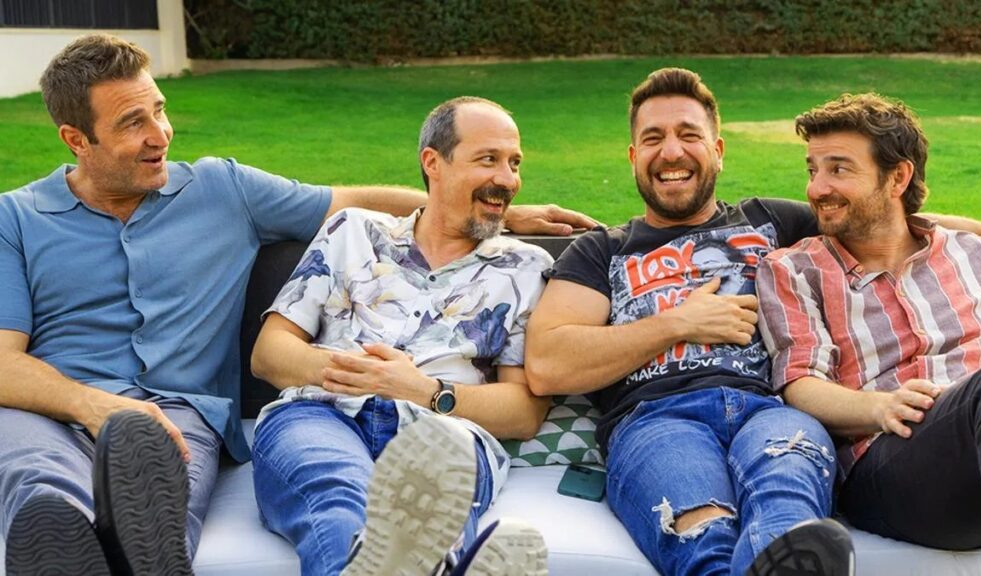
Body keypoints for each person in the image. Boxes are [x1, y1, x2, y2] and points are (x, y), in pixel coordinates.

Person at [0, 34, 593, 575]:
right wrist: (95, 406)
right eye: (134, 122)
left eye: (160, 109)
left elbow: (346, 196)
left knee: (177, 496)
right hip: (56, 409)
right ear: (76, 139)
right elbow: (4, 361)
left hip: (181, 417)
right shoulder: (17, 219)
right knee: (45, 494)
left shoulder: (222, 188)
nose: (161, 133)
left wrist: (490, 211)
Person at [525, 67, 853, 576]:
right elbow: (548, 364)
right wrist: (678, 323)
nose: (672, 152)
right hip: (656, 421)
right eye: (653, 138)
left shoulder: (772, 222)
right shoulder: (602, 251)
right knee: (701, 531)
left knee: (786, 506)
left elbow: (887, 224)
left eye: (689, 135)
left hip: (770, 410)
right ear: (634, 157)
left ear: (718, 150)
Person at [249, 96, 551, 575]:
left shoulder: (526, 268)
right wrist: (363, 376)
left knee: (430, 512)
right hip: (321, 415)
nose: (509, 179)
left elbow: (524, 411)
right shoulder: (353, 231)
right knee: (338, 500)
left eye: (514, 163)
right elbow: (269, 353)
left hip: (443, 432)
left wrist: (422, 390)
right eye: (488, 159)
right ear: (433, 162)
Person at [756, 93, 981, 575]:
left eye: (838, 169)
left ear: (897, 177)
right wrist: (878, 407)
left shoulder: (976, 254)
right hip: (895, 462)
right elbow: (800, 382)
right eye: (812, 169)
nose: (816, 189)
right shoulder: (795, 269)